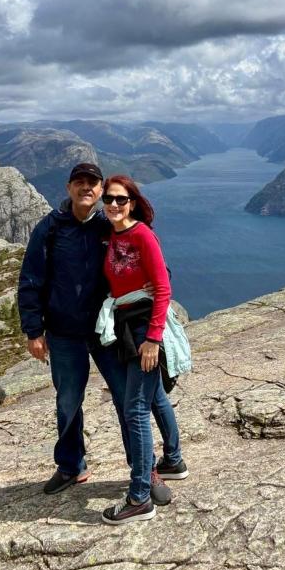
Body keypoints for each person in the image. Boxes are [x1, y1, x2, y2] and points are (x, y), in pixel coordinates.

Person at [16, 162, 177, 502]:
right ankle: (71, 465)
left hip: (108, 332)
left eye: (92, 182)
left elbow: (149, 260)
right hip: (63, 332)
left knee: (127, 401)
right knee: (68, 401)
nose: (85, 187)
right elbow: (30, 280)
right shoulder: (50, 228)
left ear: (101, 189)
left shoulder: (112, 224)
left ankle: (145, 470)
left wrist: (152, 284)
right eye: (79, 182)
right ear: (68, 187)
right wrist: (33, 330)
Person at [99, 175, 187, 526]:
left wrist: (152, 340)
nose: (114, 205)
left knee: (134, 409)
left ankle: (138, 497)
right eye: (109, 199)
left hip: (144, 329)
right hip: (127, 324)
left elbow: (163, 288)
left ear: (132, 202)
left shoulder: (141, 235)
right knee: (153, 399)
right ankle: (174, 459)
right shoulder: (113, 235)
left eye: (121, 199)